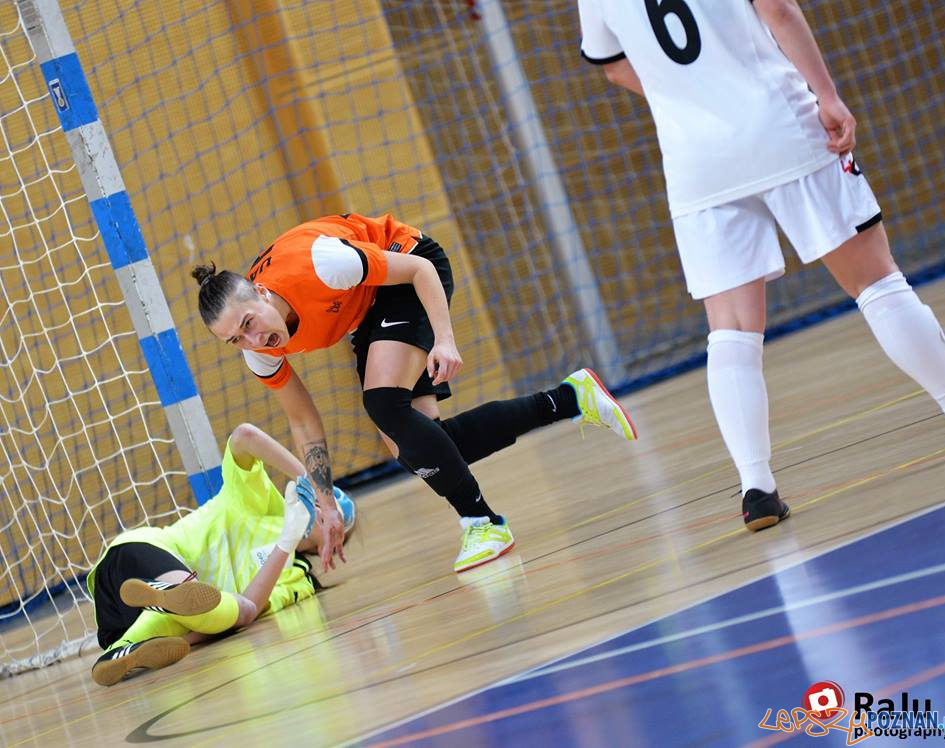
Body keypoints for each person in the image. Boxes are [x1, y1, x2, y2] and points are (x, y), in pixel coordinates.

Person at [578, 0, 945, 530]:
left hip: (697, 162)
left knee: (731, 330)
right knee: (875, 280)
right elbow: (779, 9)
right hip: (781, 126)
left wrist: (686, 94)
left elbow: (613, 64)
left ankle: (755, 487)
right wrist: (828, 96)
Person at [191, 213, 637, 573]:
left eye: (249, 324)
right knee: (421, 447)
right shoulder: (259, 354)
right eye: (236, 341)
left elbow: (421, 270)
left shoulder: (320, 264)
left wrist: (444, 339)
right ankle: (569, 398)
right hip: (367, 306)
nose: (252, 342)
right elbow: (304, 422)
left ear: (263, 295)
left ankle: (483, 522)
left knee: (383, 402)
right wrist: (324, 503)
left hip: (409, 268)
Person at [88, 422, 356, 686]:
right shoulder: (260, 501)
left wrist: (288, 540)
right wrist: (317, 486)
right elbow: (245, 435)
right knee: (193, 595)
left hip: (126, 624)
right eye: (325, 506)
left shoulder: (298, 579)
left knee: (241, 608)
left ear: (332, 546)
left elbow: (247, 611)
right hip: (132, 561)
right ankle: (166, 593)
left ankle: (123, 650)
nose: (325, 514)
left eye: (335, 522)